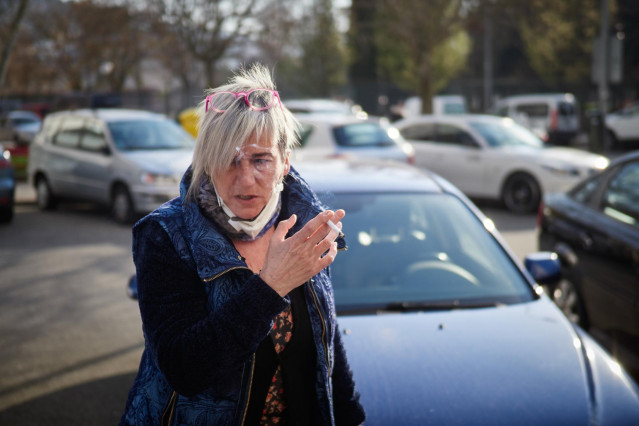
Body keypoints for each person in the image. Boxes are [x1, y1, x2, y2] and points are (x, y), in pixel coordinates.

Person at [120, 63, 366, 426]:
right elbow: (184, 369)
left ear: (284, 162)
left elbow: (324, 339)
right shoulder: (166, 235)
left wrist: (350, 415)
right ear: (206, 164)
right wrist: (272, 285)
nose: (245, 178)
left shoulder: (304, 221)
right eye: (229, 160)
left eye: (260, 160)